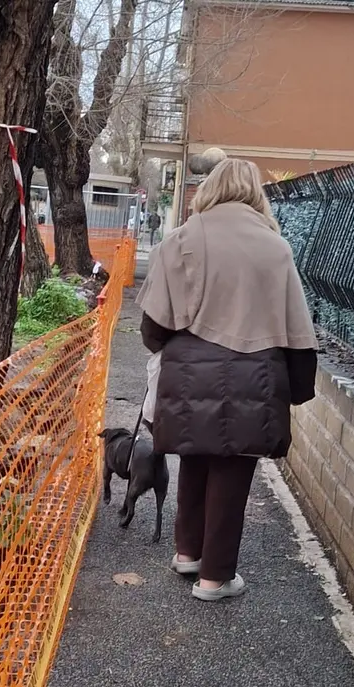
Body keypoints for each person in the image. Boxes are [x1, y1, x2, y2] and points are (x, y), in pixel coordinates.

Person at [136, 158, 319, 602]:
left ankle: (187, 553)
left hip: (188, 372)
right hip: (254, 376)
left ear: (209, 188)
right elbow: (297, 329)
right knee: (232, 474)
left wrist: (175, 347)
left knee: (195, 457)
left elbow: (153, 327)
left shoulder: (180, 240)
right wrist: (297, 389)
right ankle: (215, 579)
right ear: (255, 192)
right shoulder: (276, 248)